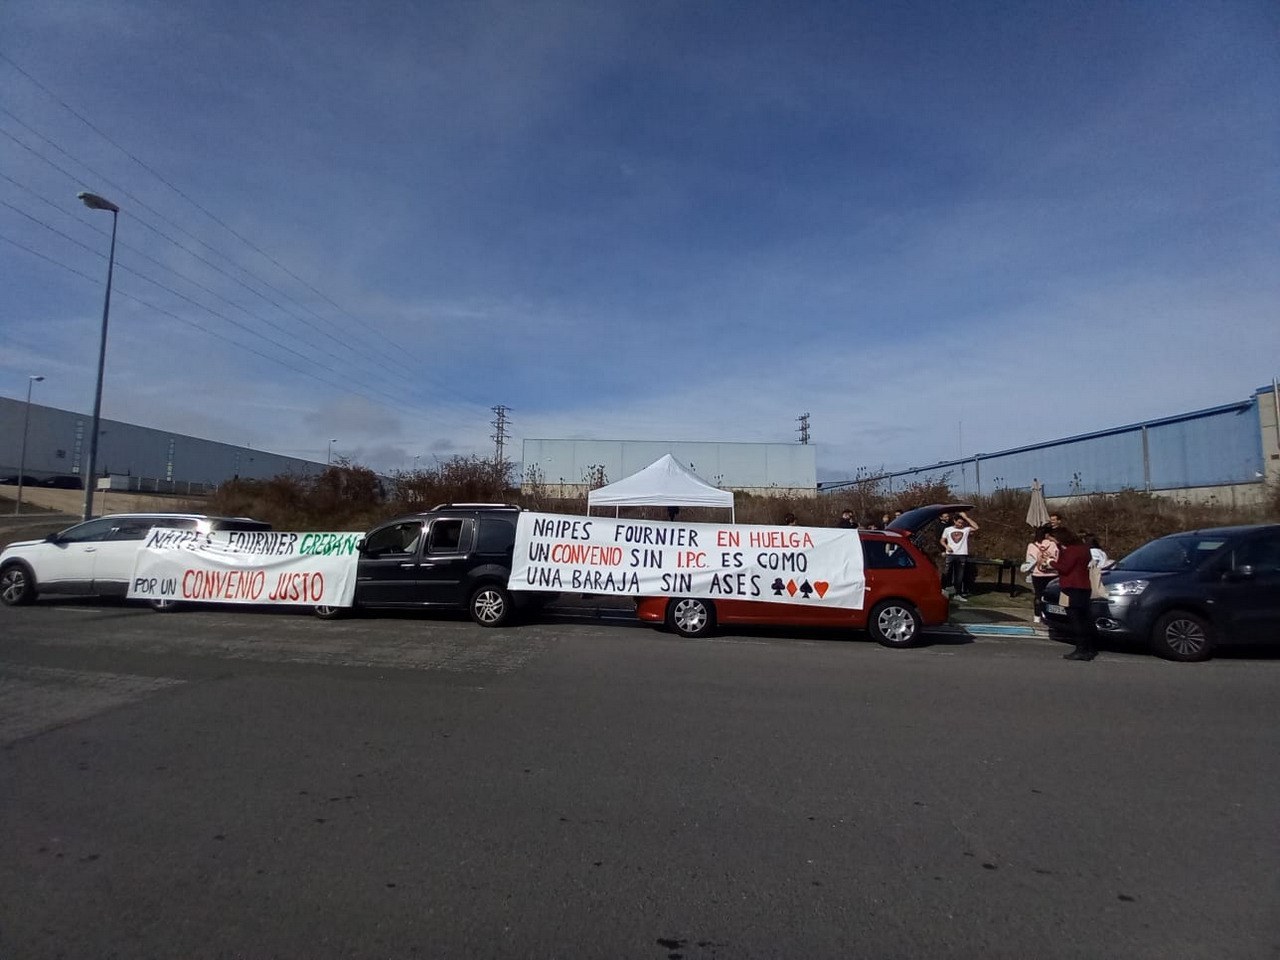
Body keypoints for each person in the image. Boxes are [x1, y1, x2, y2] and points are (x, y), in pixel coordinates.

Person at [1048, 527, 1096, 661]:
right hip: (1084, 586)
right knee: (1084, 618)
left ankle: (1081, 649)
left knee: (1076, 619)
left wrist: (1050, 562)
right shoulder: (1084, 549)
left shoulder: (1071, 551)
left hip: (1073, 586)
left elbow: (1065, 567)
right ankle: (1088, 648)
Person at [939, 511, 979, 600]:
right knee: (947, 573)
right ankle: (943, 590)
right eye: (959, 522)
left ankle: (958, 594)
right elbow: (942, 540)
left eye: (962, 523)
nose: (960, 524)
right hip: (950, 554)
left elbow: (976, 527)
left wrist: (966, 517)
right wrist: (946, 546)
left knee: (959, 575)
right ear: (954, 521)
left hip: (962, 554)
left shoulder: (965, 529)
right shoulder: (948, 529)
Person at [1024, 524, 1059, 623]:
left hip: (1038, 574)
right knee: (1052, 597)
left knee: (1038, 596)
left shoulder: (1032, 545)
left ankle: (1037, 617)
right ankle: (1050, 617)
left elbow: (1028, 561)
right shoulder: (1054, 544)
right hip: (1053, 573)